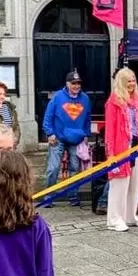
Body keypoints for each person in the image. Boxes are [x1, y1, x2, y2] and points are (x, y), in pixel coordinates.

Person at [104, 68, 138, 232]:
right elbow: (110, 130)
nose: (131, 84)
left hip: (137, 144)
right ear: (121, 82)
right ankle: (115, 219)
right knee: (119, 184)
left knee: (134, 182)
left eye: (133, 80)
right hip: (120, 148)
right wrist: (110, 155)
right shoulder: (113, 102)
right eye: (128, 81)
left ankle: (130, 216)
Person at [42, 71, 91, 207]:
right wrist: (49, 133)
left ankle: (73, 196)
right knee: (53, 168)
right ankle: (48, 197)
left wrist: (86, 134)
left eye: (78, 83)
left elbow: (87, 118)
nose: (76, 86)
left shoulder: (85, 99)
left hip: (77, 138)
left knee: (75, 168)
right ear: (67, 83)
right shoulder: (57, 97)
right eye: (73, 83)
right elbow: (48, 117)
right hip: (57, 137)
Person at [0, 81, 21, 146]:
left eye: (4, 94)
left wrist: (14, 141)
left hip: (10, 145)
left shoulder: (9, 107)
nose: (2, 96)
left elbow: (16, 126)